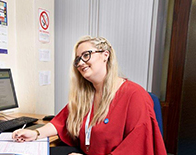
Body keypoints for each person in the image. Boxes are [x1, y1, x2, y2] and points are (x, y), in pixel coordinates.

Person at [12, 36, 167, 155]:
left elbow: (136, 148)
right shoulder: (87, 95)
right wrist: (35, 133)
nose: (80, 63)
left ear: (105, 55)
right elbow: (61, 122)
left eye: (86, 55)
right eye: (77, 59)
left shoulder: (135, 95)